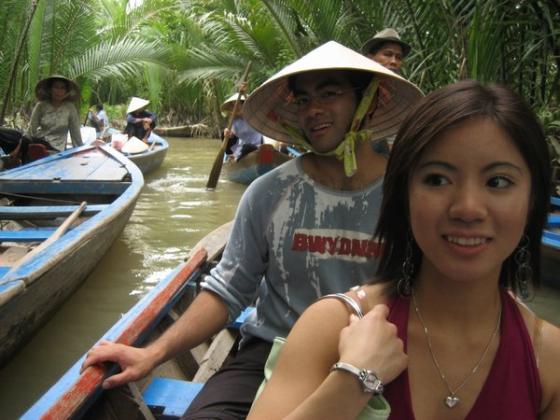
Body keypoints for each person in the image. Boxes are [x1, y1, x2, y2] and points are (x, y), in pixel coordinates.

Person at [81, 41, 422, 419]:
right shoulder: (270, 192)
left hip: (383, 355)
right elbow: (229, 289)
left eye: (330, 93)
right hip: (271, 347)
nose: (314, 110)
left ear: (367, 101)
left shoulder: (410, 194)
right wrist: (152, 352)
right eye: (303, 99)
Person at [249, 80, 560, 419]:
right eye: (437, 179)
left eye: (498, 182)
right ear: (403, 196)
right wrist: (352, 380)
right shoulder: (332, 327)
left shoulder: (549, 359)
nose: (468, 208)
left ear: (532, 201)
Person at [28, 75, 83, 152]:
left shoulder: (70, 108)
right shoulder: (41, 105)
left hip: (56, 148)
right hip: (39, 142)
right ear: (50, 89)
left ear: (66, 92)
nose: (59, 91)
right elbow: (31, 129)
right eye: (56, 87)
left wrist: (79, 151)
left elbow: (75, 133)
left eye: (62, 88)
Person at [221, 92, 263, 161]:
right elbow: (232, 133)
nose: (235, 107)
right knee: (224, 133)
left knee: (248, 147)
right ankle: (233, 157)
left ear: (244, 104)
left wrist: (244, 93)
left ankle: (237, 159)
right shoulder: (234, 121)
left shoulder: (253, 116)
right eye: (233, 105)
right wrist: (228, 133)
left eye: (238, 104)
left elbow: (250, 105)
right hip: (241, 149)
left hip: (257, 147)